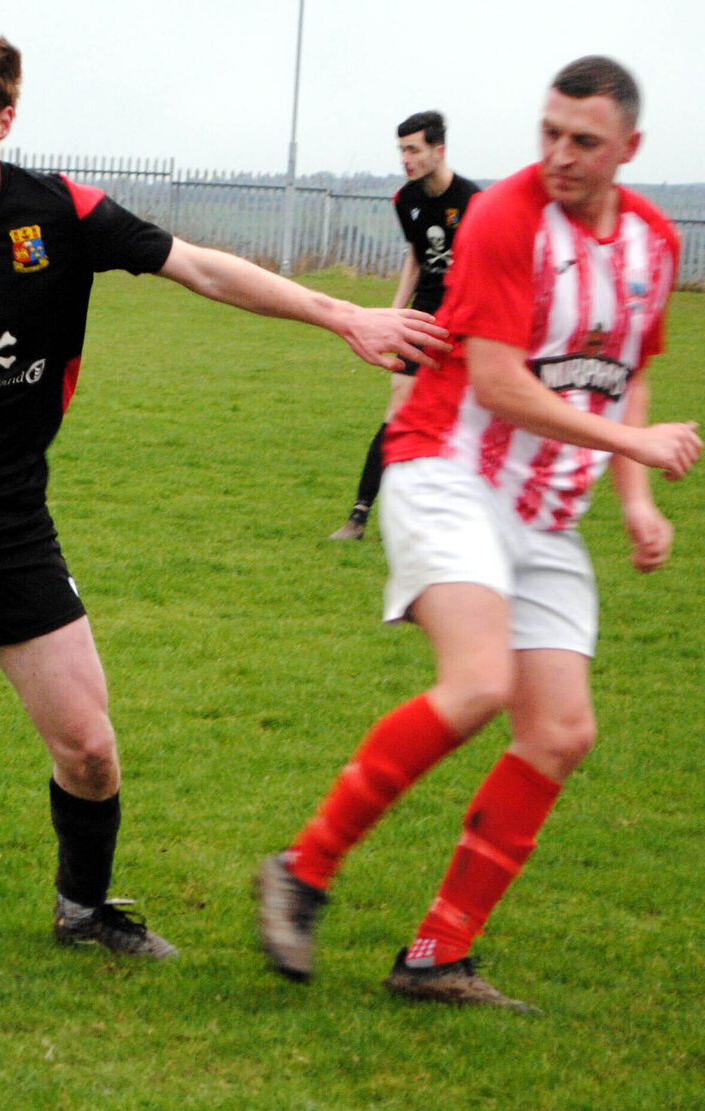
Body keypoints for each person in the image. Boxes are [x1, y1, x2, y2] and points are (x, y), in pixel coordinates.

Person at [0, 17, 447, 959]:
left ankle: (84, 910)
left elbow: (199, 267)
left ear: (3, 120)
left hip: (7, 519)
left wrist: (340, 313)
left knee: (89, 748)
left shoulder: (61, 214)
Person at [261, 55, 700, 1010]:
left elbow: (625, 373)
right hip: (447, 469)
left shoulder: (654, 243)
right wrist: (635, 444)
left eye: (584, 141)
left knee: (561, 731)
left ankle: (437, 954)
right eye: (550, 133)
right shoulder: (505, 217)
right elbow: (499, 384)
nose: (560, 154)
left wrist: (636, 499)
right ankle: (303, 868)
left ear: (630, 148)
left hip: (546, 510)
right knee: (478, 681)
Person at [329, 111, 479, 540]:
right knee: (398, 410)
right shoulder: (405, 199)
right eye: (402, 151)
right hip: (424, 314)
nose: (406, 159)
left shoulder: (473, 202)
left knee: (466, 418)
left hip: (467, 317)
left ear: (439, 150)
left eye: (413, 150)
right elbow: (416, 258)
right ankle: (359, 515)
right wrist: (392, 317)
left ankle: (461, 519)